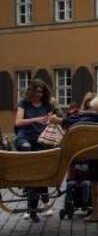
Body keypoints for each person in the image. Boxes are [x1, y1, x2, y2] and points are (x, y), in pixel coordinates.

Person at [14, 79, 61, 222]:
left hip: (41, 140)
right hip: (25, 139)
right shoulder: (24, 103)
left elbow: (53, 120)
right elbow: (18, 122)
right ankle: (35, 207)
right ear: (32, 91)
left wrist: (51, 119)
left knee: (38, 176)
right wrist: (35, 119)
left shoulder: (47, 105)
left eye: (41, 92)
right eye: (37, 91)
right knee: (28, 155)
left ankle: (32, 209)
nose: (39, 94)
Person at [64, 94, 98, 222]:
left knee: (94, 183)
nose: (90, 111)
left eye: (92, 108)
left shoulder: (97, 117)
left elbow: (78, 121)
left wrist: (62, 121)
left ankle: (96, 214)